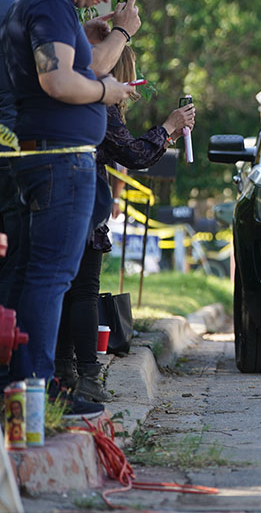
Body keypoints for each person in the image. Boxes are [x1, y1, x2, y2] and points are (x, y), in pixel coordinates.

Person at [1, 0, 139, 418]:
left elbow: (67, 65)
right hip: (60, 159)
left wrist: (89, 41)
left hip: (50, 156)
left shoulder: (43, 6)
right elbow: (58, 79)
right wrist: (109, 88)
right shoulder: (49, 4)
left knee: (33, 276)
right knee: (50, 278)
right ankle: (33, 397)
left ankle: (25, 393)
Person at [55, 45, 195, 402]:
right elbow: (132, 153)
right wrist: (168, 126)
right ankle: (87, 374)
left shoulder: (70, 92)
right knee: (83, 290)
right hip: (81, 200)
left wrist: (168, 135)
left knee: (61, 289)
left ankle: (63, 371)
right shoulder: (100, 103)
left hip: (52, 195)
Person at [0, 0, 59, 308]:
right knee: (19, 256)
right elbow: (57, 76)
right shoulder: (33, 8)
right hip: (17, 145)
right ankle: (11, 365)